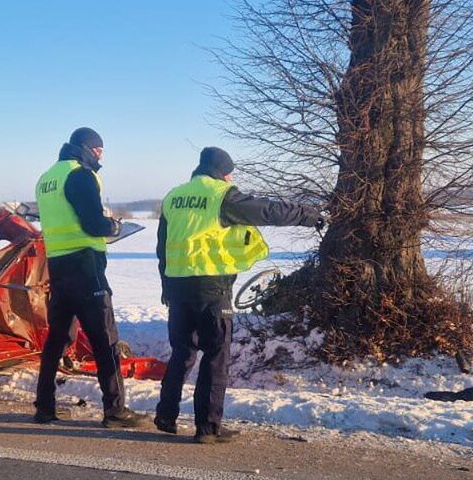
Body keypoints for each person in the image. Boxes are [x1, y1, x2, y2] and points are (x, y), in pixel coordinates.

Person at [155, 147, 323, 443]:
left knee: (182, 351)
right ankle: (207, 428)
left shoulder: (173, 197)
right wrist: (307, 216)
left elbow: (162, 248)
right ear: (223, 171)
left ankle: (165, 415)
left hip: (177, 287)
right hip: (211, 287)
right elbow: (268, 210)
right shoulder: (222, 195)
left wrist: (166, 288)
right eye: (230, 172)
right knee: (216, 355)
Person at [33, 127, 149, 429]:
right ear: (89, 149)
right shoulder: (80, 175)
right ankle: (115, 410)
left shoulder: (46, 179)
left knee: (58, 337)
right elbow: (93, 223)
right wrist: (112, 226)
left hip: (58, 266)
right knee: (104, 339)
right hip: (86, 267)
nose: (100, 157)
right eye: (99, 151)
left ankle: (44, 406)